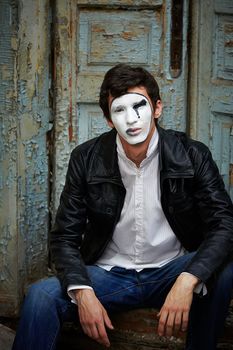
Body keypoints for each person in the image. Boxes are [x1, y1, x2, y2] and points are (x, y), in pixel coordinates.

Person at [12, 64, 233, 350]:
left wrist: (188, 279)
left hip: (172, 271)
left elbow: (225, 224)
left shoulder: (192, 154)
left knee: (225, 267)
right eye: (119, 110)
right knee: (41, 297)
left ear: (157, 109)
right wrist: (83, 291)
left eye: (139, 106)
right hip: (109, 276)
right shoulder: (87, 158)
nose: (131, 119)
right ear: (108, 120)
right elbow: (64, 237)